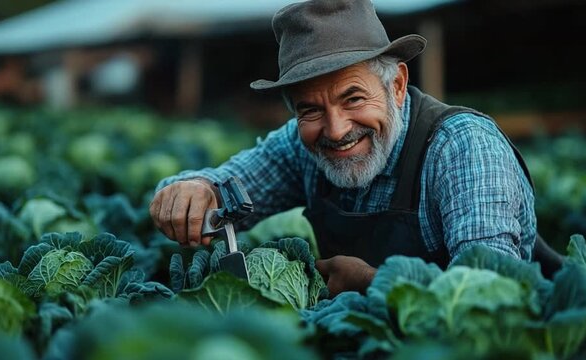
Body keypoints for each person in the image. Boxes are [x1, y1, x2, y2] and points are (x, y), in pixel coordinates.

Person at [150, 0, 557, 297]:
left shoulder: (463, 149)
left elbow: (493, 295)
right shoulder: (302, 145)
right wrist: (194, 188)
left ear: (396, 85)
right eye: (310, 109)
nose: (336, 129)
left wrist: (373, 282)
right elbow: (223, 187)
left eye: (353, 99)